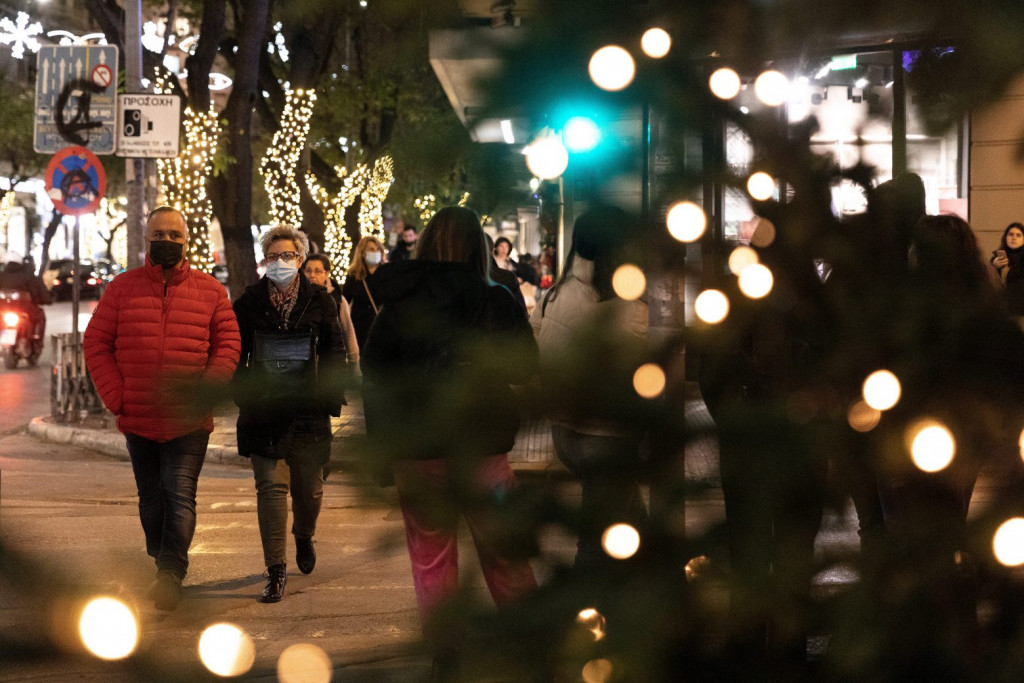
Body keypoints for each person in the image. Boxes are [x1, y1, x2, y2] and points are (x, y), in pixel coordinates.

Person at [361, 206, 538, 652]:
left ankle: (446, 655)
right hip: (485, 451)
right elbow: (525, 366)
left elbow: (376, 376)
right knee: (505, 554)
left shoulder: (399, 307)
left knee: (430, 558)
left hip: (419, 453)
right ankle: (531, 646)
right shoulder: (493, 298)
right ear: (478, 248)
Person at [83, 206, 241, 611]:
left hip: (188, 421)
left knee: (180, 493)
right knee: (151, 498)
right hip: (138, 417)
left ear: (186, 241)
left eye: (175, 235)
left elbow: (228, 345)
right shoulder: (122, 288)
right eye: (159, 234)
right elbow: (96, 343)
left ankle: (171, 572)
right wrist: (117, 397)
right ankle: (161, 556)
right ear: (147, 237)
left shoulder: (210, 291)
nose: (167, 241)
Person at [530, 206, 649, 572]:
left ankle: (660, 595)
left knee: (631, 518)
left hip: (565, 430)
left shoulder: (555, 295)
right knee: (598, 538)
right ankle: (590, 613)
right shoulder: (620, 304)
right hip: (606, 434)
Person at [232, 225, 347, 603]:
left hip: (309, 412)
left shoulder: (320, 300)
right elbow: (235, 354)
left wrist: (329, 394)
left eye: (288, 256)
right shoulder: (248, 302)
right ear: (264, 260)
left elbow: (334, 352)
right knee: (270, 489)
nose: (280, 263)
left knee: (309, 491)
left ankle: (304, 534)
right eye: (273, 256)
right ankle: (276, 570)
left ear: (300, 259)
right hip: (265, 412)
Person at [303, 253, 360, 369]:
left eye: (317, 271)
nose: (312, 275)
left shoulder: (338, 300)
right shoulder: (299, 298)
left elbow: (348, 332)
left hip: (331, 365)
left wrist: (354, 366)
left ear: (326, 274)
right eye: (308, 271)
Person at [342, 236, 386, 351]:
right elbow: (344, 301)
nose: (375, 252)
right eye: (371, 249)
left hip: (382, 326)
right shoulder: (354, 276)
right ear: (362, 253)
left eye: (378, 249)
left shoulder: (387, 274)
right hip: (360, 328)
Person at [0, 256, 51, 339]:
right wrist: (46, 300)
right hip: (25, 311)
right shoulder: (30, 277)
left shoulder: (2, 276)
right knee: (40, 317)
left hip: (5, 311)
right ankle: (37, 342)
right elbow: (43, 295)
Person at [990, 221, 1024, 315]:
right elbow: (986, 282)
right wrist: (993, 267)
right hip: (1000, 309)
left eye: (1018, 235)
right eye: (1011, 234)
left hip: (1019, 310)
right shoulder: (996, 259)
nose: (1014, 238)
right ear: (1005, 238)